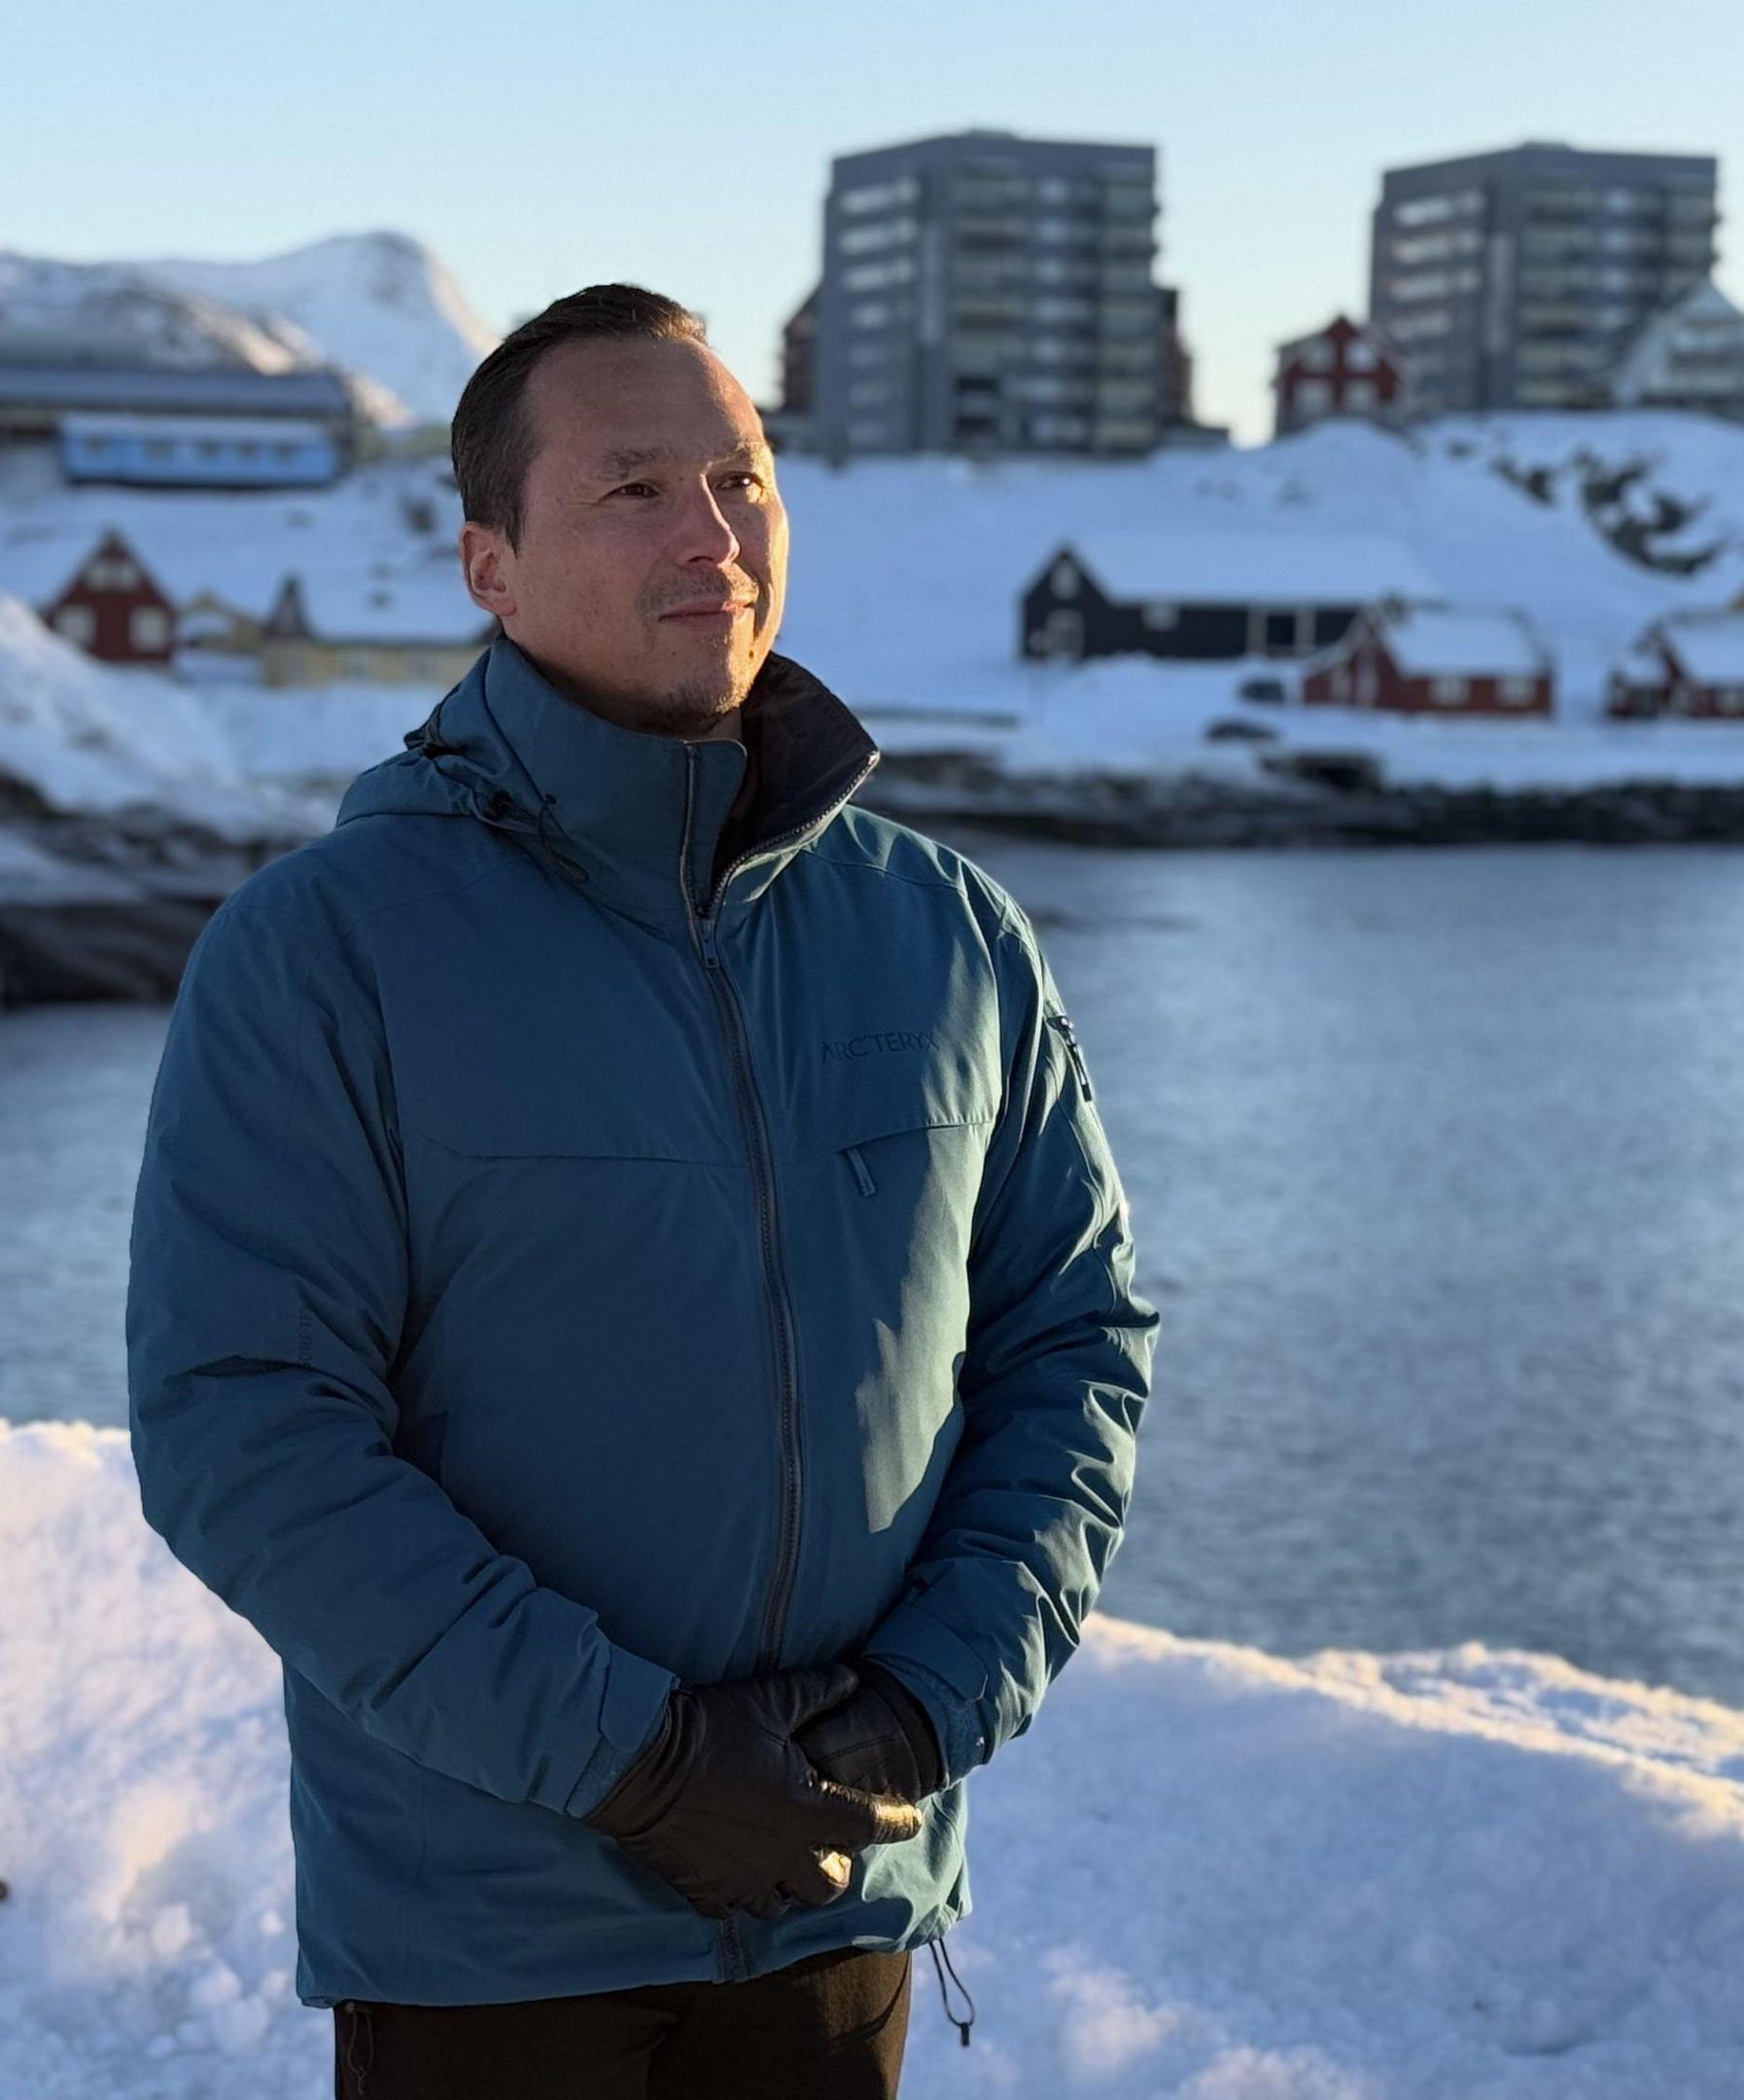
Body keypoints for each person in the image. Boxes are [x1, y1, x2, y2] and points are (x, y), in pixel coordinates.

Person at [125, 283, 1158, 2098]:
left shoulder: (946, 934)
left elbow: (1072, 1352)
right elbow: (249, 1430)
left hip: (847, 1898)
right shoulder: (327, 954)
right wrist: (644, 1765)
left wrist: (920, 1710)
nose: (711, 533)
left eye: (742, 477)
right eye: (631, 490)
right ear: (489, 565)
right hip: (492, 1936)